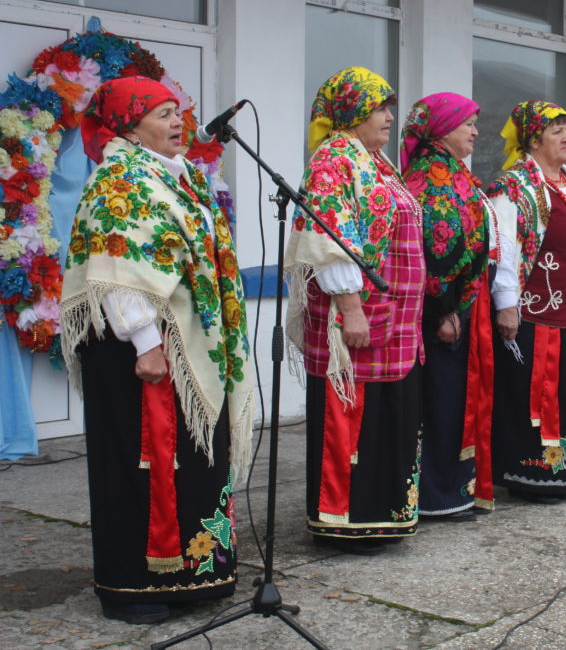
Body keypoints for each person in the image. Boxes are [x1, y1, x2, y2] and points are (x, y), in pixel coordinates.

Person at [60, 76, 254, 624]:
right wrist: (146, 342)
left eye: (178, 112)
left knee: (191, 460)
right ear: (128, 123)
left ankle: (198, 574)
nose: (178, 123)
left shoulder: (180, 175)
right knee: (146, 463)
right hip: (143, 353)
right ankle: (136, 587)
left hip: (186, 348)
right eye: (164, 113)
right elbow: (119, 269)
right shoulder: (121, 178)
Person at [284, 67, 425, 553]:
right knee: (352, 413)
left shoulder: (376, 160)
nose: (389, 117)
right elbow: (329, 238)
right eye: (379, 108)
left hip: (392, 316)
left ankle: (382, 515)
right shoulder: (333, 161)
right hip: (359, 315)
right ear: (351, 112)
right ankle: (345, 520)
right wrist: (351, 307)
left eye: (389, 107)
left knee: (386, 415)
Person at [487, 100, 566, 503]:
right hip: (534, 310)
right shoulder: (514, 186)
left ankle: (565, 469)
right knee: (536, 392)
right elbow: (503, 248)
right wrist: (505, 303)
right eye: (556, 131)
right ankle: (529, 473)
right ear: (533, 140)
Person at [400, 92, 501, 517]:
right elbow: (436, 250)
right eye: (468, 125)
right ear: (443, 129)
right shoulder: (432, 180)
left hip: (456, 307)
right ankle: (436, 494)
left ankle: (454, 488)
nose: (476, 132)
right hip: (439, 312)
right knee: (441, 401)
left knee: (456, 398)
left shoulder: (450, 173)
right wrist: (445, 310)